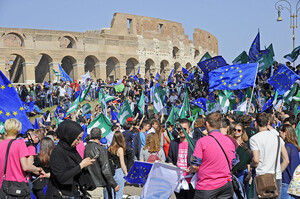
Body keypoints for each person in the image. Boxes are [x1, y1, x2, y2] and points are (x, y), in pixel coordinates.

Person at [190, 112, 236, 199]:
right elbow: (233, 161)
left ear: (207, 124)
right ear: (221, 124)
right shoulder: (229, 141)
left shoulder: (202, 141)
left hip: (207, 186)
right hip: (226, 184)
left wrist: (191, 169)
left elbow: (195, 165)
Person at [46, 120, 96, 198]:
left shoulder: (71, 150)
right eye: (77, 138)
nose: (79, 142)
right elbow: (61, 177)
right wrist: (81, 166)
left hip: (74, 192)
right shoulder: (58, 151)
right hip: (62, 194)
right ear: (69, 136)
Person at [0, 119, 45, 197]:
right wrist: (39, 169)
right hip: (18, 185)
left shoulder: (1, 144)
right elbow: (26, 167)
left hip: (3, 186)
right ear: (18, 130)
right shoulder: (19, 143)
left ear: (6, 129)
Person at [249, 112, 290, 199]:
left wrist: (252, 165)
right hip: (276, 176)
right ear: (268, 122)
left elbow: (256, 160)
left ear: (256, 123)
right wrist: (278, 170)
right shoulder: (278, 138)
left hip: (261, 176)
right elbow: (286, 160)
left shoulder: (254, 139)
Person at [84, 127, 120, 199]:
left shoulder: (86, 147)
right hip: (99, 184)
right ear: (101, 136)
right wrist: (114, 184)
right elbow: (105, 169)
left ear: (90, 136)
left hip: (88, 183)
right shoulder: (100, 149)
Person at [167, 118, 195, 199]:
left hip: (191, 180)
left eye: (184, 129)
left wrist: (193, 168)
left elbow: (199, 160)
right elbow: (170, 159)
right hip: (178, 180)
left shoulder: (195, 143)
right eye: (179, 129)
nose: (181, 131)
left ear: (189, 129)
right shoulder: (173, 143)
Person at [278, 124, 300, 199]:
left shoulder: (288, 147)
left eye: (280, 133)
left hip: (286, 181)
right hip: (293, 183)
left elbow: (291, 166)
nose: (279, 135)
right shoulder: (294, 148)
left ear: (285, 132)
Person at [104, 131, 128, 199]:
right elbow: (122, 163)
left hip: (111, 171)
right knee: (118, 194)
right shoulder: (120, 149)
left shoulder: (109, 148)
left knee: (111, 193)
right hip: (118, 171)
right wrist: (126, 173)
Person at [232, 123, 252, 196]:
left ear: (242, 132)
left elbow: (250, 159)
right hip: (232, 171)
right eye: (235, 130)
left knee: (242, 192)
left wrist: (249, 174)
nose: (236, 132)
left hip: (242, 170)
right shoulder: (230, 141)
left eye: (239, 130)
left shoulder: (246, 143)